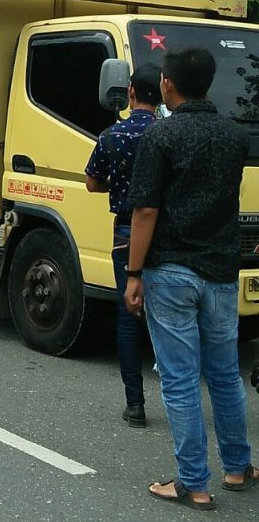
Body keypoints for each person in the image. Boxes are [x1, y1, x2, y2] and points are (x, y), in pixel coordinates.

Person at [125, 46, 258, 510]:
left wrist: (134, 273)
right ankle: (239, 467)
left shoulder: (161, 138)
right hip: (221, 269)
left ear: (167, 84)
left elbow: (145, 210)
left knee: (180, 380)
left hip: (171, 270)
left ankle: (193, 482)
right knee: (225, 375)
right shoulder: (234, 136)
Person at [85, 63, 162, 428]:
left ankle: (135, 404)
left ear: (130, 92)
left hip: (126, 235)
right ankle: (180, 400)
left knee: (129, 318)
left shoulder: (111, 136)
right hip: (165, 234)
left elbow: (91, 183)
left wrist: (118, 187)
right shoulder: (167, 134)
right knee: (169, 317)